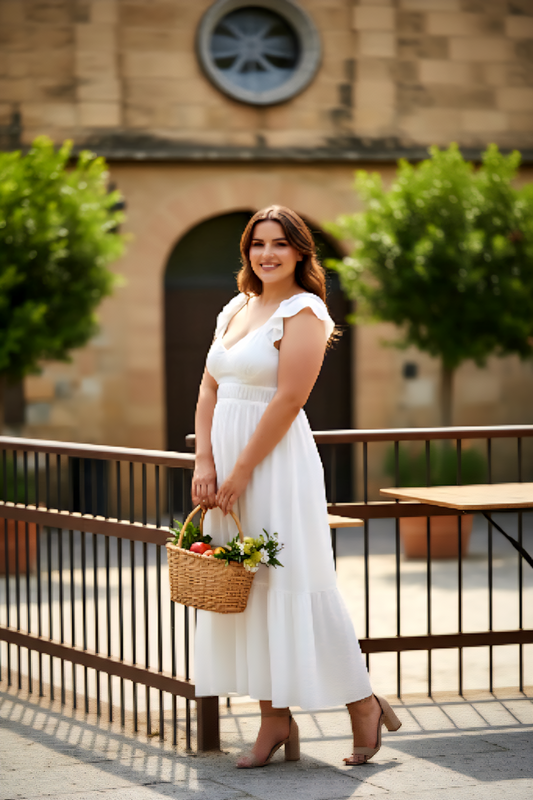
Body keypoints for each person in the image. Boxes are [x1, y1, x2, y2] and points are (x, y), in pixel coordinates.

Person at [191, 205, 401, 767]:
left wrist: (240, 472)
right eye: (257, 244)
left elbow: (289, 399)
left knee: (294, 581)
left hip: (275, 464)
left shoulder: (305, 310)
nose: (267, 254)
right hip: (225, 462)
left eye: (280, 244)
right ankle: (274, 722)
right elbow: (209, 388)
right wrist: (205, 460)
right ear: (246, 251)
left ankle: (362, 705)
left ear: (301, 253)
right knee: (246, 589)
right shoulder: (235, 307)